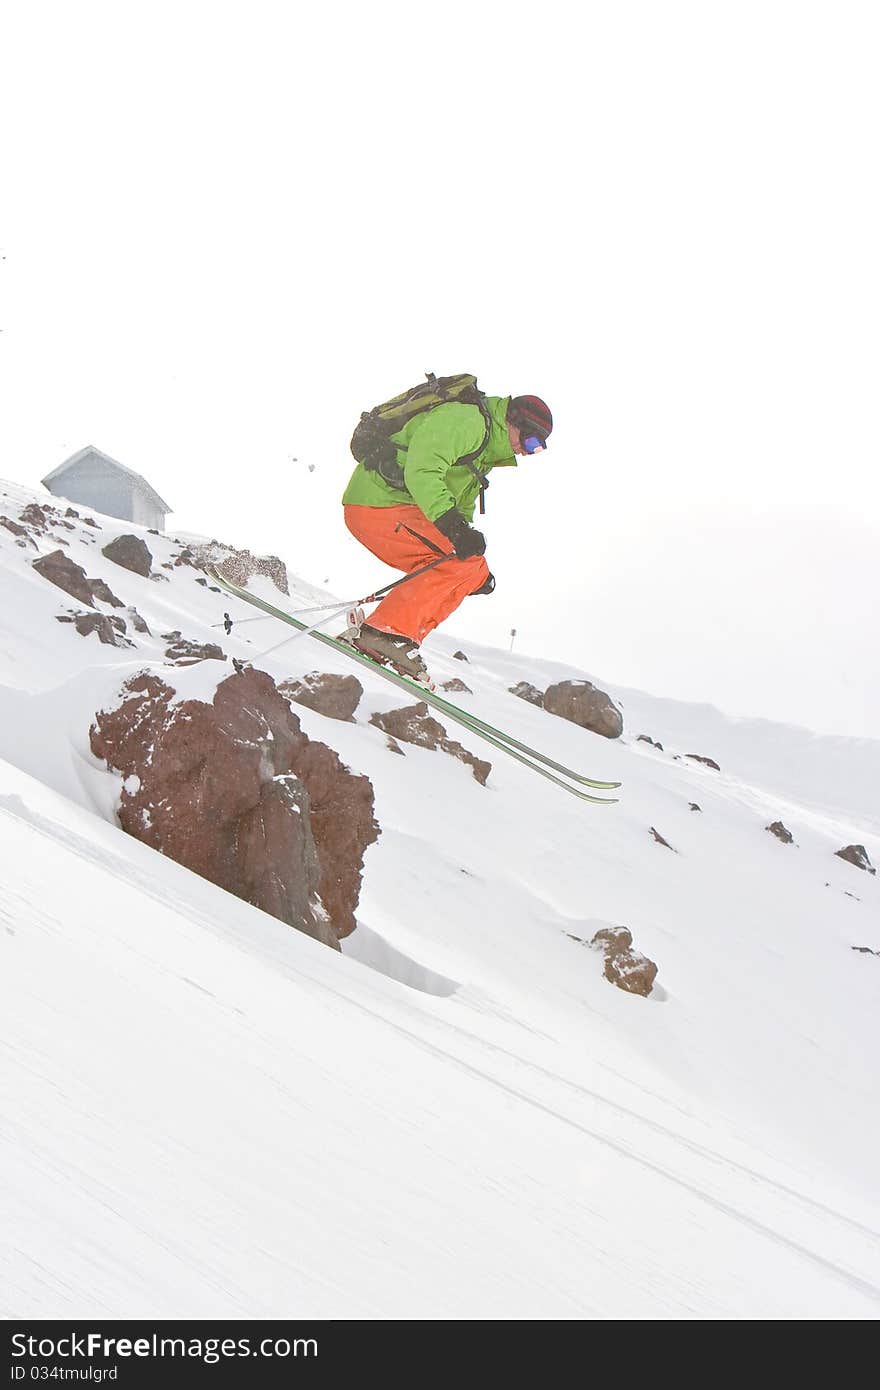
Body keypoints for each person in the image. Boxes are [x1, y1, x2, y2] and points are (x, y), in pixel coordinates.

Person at [341, 392, 553, 676]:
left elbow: (460, 508)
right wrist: (454, 529)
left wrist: (469, 561)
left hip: (395, 510)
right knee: (462, 564)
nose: (528, 452)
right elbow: (422, 470)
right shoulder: (468, 421)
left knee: (469, 567)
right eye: (531, 442)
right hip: (380, 503)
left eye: (537, 449)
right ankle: (384, 634)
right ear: (514, 421)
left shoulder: (484, 451)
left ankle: (400, 638)